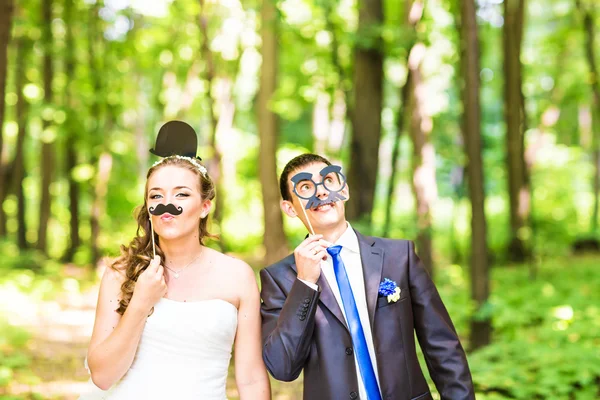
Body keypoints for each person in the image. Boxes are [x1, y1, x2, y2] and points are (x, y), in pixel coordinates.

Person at [260, 153, 474, 400]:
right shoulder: (279, 278)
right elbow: (282, 368)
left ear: (345, 189)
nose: (320, 193)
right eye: (306, 187)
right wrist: (305, 283)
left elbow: (443, 347)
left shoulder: (398, 257)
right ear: (289, 207)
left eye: (328, 180)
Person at [81, 122, 270, 400]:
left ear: (205, 206)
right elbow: (103, 377)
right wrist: (141, 303)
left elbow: (251, 378)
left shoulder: (238, 276)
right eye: (156, 195)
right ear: (149, 208)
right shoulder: (120, 274)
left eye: (181, 194)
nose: (167, 205)